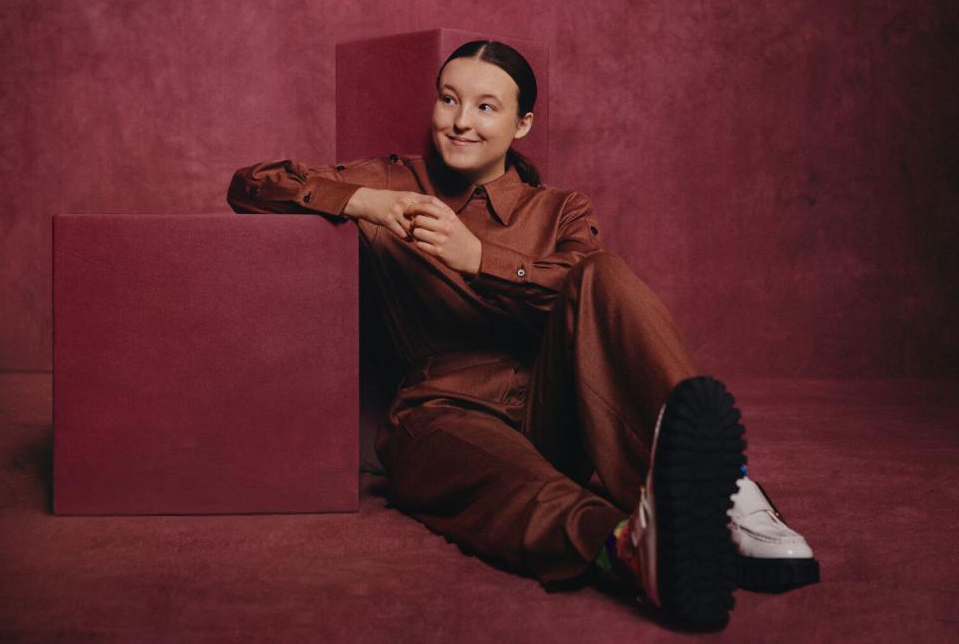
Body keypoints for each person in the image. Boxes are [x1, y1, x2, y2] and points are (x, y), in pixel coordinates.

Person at [226, 39, 819, 628]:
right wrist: (367, 202)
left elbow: (580, 291)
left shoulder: (560, 208)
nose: (461, 122)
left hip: (554, 409)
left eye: (486, 107)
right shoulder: (393, 179)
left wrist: (479, 256)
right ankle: (631, 549)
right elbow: (251, 185)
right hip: (442, 414)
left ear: (523, 123)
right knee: (512, 483)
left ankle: (728, 492)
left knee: (601, 273)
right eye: (448, 100)